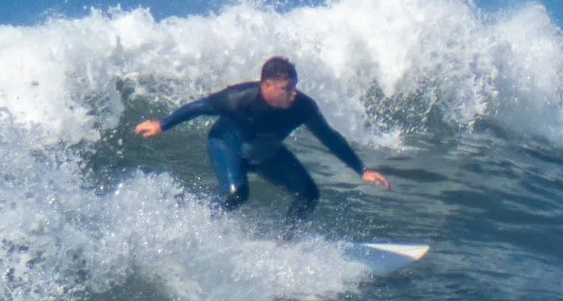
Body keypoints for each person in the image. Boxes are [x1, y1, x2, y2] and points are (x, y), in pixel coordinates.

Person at [136, 55, 389, 220]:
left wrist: (362, 169)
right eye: (285, 89)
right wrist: (162, 124)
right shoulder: (238, 99)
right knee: (236, 195)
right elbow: (199, 107)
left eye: (294, 86)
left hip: (267, 153)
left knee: (309, 194)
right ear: (266, 85)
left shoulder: (303, 107)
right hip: (227, 144)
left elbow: (329, 137)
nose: (292, 94)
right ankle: (200, 224)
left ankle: (285, 245)